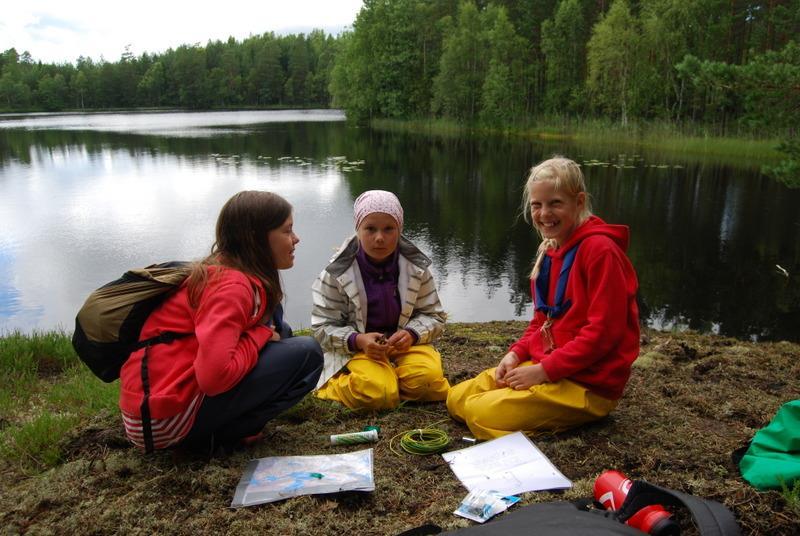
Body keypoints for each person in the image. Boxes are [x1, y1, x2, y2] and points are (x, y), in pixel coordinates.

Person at [447, 157, 639, 439]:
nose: (544, 213)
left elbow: (602, 334)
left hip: (586, 384)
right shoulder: (551, 249)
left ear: (579, 201)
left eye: (555, 203)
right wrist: (516, 354)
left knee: (479, 414)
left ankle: (570, 417)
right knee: (457, 399)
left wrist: (542, 372)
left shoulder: (601, 252)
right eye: (537, 205)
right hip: (549, 367)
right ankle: (530, 400)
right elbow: (542, 320)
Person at [119, 191, 323, 453]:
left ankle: (222, 426)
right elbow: (214, 378)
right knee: (308, 353)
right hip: (165, 421)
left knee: (279, 324)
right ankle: (227, 434)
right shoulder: (232, 286)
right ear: (257, 238)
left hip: (152, 411)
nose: (296, 239)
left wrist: (262, 333)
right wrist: (259, 336)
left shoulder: (223, 269)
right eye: (287, 230)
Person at [311, 190, 450, 410]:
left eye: (388, 229)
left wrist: (412, 334)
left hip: (405, 346)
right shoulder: (337, 272)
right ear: (358, 229)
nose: (379, 238)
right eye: (370, 229)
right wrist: (358, 340)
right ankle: (332, 385)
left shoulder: (416, 267)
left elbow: (434, 316)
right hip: (360, 350)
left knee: (429, 386)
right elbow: (321, 327)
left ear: (400, 229)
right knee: (380, 393)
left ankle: (392, 377)